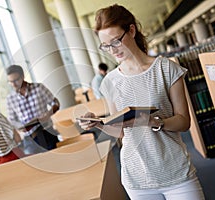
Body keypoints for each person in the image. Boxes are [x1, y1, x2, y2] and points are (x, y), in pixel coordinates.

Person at [78, 4, 205, 200]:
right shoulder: (110, 82)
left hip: (176, 172)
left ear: (131, 30)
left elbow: (183, 122)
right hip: (137, 179)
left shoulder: (166, 68)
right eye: (106, 45)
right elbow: (120, 132)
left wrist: (152, 122)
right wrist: (99, 124)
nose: (113, 50)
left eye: (116, 41)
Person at [6, 65, 60, 154]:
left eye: (16, 80)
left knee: (55, 161)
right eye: (10, 82)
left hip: (47, 132)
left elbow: (56, 103)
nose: (13, 84)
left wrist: (47, 115)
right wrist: (20, 126)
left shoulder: (39, 87)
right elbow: (11, 120)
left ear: (22, 76)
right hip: (29, 138)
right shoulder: (10, 98)